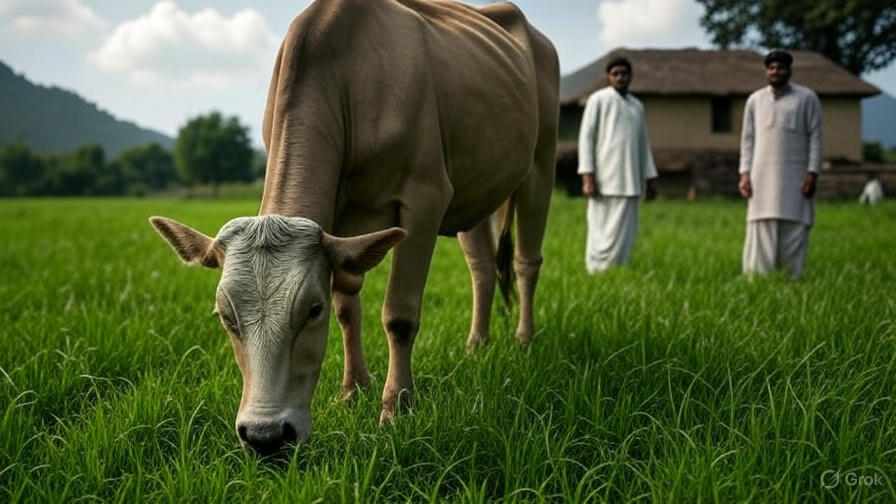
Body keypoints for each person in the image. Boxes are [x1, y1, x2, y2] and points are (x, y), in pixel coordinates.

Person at [739, 49, 822, 279]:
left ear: (789, 71)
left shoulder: (807, 98)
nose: (775, 71)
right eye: (771, 68)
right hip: (761, 178)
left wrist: (812, 172)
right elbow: (747, 139)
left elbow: (816, 137)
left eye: (781, 68)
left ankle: (792, 280)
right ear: (766, 72)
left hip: (796, 178)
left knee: (795, 226)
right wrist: (745, 173)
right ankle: (758, 281)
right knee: (760, 227)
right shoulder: (755, 100)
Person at [577, 56, 658, 273]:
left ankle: (617, 270)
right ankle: (595, 270)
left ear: (630, 77)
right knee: (600, 227)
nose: (620, 77)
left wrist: (650, 179)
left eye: (624, 74)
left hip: (631, 179)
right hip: (604, 178)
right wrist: (588, 176)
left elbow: (643, 144)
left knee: (626, 231)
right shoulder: (598, 100)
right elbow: (586, 138)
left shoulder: (637, 106)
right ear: (608, 77)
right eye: (615, 74)